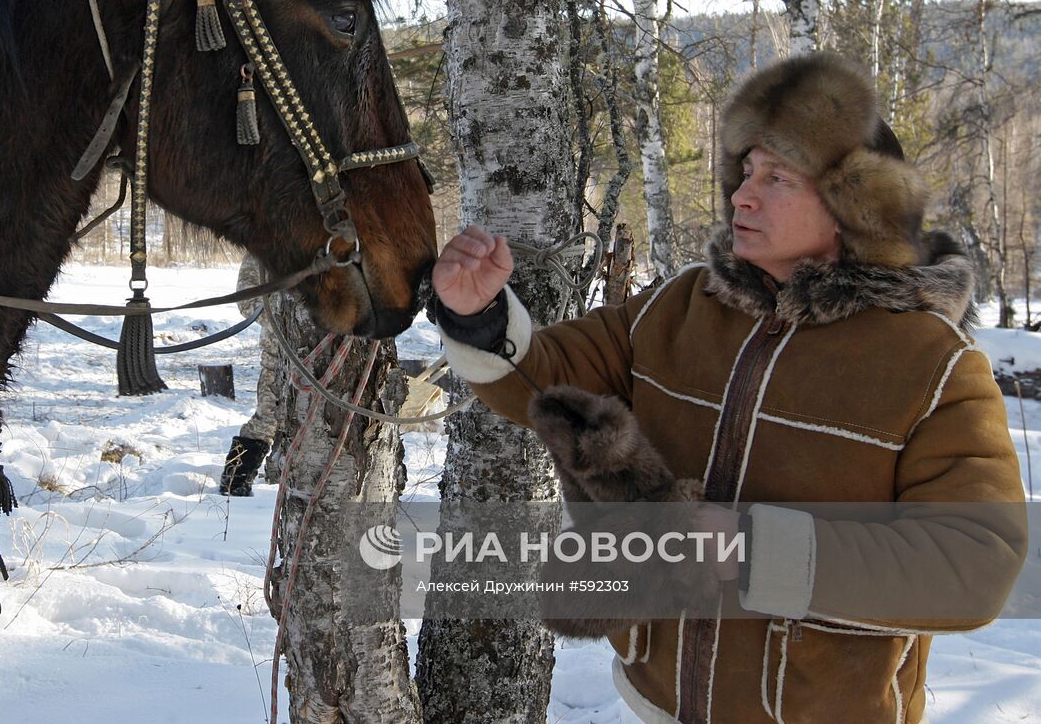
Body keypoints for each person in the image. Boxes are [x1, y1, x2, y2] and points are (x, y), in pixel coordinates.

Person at [432, 53, 1025, 724]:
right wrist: (478, 314)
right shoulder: (682, 305)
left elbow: (976, 563)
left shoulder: (932, 363)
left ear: (853, 208)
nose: (744, 194)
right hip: (661, 701)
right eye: (746, 171)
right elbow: (542, 381)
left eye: (778, 177)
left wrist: (750, 551)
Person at [219, 253, 282, 496]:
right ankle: (233, 485)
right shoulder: (262, 248)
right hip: (278, 358)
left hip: (329, 357)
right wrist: (285, 317)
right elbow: (246, 300)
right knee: (267, 421)